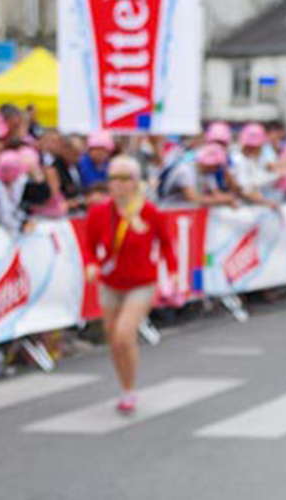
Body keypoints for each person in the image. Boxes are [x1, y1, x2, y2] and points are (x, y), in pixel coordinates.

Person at [84, 156, 178, 415]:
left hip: (141, 283)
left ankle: (130, 390)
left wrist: (172, 272)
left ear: (136, 182)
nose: (118, 184)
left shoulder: (149, 211)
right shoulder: (99, 212)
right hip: (110, 282)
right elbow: (89, 246)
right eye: (113, 178)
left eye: (125, 178)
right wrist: (90, 264)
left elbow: (167, 243)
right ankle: (125, 387)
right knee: (114, 340)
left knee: (125, 333)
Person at [160, 143, 241, 206]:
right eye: (216, 166)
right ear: (209, 163)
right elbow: (193, 198)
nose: (217, 170)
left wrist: (229, 199)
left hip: (186, 212)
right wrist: (224, 200)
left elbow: (216, 194)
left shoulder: (208, 172)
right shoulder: (185, 170)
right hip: (169, 210)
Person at [231, 123, 278, 204]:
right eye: (260, 146)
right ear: (253, 146)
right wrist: (264, 201)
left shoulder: (250, 159)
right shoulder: (236, 160)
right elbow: (241, 190)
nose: (262, 148)